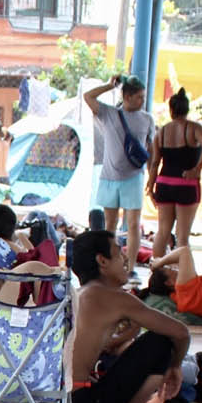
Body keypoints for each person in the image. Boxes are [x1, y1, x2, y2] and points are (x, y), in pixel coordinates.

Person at [68, 229, 189, 403]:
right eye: (119, 252)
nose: (125, 258)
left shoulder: (78, 294)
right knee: (160, 344)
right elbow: (181, 333)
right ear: (102, 261)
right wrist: (176, 366)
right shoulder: (113, 297)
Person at [84, 75, 154, 269]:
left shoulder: (147, 119)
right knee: (110, 225)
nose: (142, 101)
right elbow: (88, 97)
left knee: (133, 224)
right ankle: (111, 263)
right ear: (127, 96)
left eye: (143, 97)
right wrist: (108, 85)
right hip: (109, 177)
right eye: (139, 97)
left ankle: (130, 266)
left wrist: (152, 176)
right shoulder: (109, 114)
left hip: (134, 178)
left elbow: (151, 149)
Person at [148, 90, 202, 259]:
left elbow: (155, 163)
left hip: (164, 183)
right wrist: (197, 169)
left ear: (171, 110)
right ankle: (180, 277)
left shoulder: (161, 133)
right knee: (182, 237)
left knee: (162, 232)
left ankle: (157, 276)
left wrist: (150, 186)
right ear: (187, 109)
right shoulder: (194, 128)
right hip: (186, 183)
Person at [142, 244, 202, 323]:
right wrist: (159, 262)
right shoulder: (185, 292)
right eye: (169, 268)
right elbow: (184, 252)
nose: (174, 267)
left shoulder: (188, 291)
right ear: (169, 282)